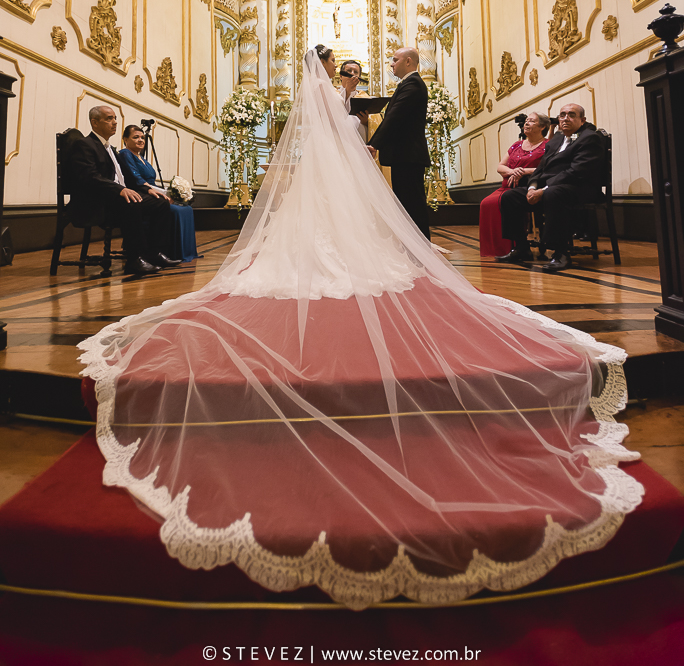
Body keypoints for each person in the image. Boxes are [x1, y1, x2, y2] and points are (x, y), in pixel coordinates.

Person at [79, 54, 642, 610]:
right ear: (327, 72)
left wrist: (356, 112)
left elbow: (357, 129)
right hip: (340, 175)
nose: (343, 73)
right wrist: (355, 112)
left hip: (345, 174)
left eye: (344, 70)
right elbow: (350, 131)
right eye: (336, 67)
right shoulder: (336, 101)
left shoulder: (348, 101)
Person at [67, 106, 181, 276]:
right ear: (94, 122)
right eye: (109, 119)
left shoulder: (110, 149)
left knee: (160, 203)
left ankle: (154, 253)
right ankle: (134, 259)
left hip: (113, 198)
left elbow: (127, 178)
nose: (114, 123)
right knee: (132, 202)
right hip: (96, 201)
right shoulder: (84, 144)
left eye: (115, 118)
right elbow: (89, 177)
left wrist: (146, 190)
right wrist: (119, 190)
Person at [499, 103, 603, 273]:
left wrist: (544, 190)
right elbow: (541, 169)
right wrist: (532, 187)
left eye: (571, 115)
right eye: (562, 115)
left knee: (553, 194)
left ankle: (560, 253)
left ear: (582, 120)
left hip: (579, 188)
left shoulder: (589, 137)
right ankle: (521, 247)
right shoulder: (556, 140)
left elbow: (576, 171)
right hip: (552, 187)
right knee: (510, 197)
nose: (565, 119)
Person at [367, 47, 431, 241]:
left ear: (408, 61)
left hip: (408, 156)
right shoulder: (409, 84)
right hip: (405, 156)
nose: (392, 64)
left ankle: (421, 251)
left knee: (412, 206)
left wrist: (374, 144)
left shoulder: (413, 84)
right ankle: (414, 250)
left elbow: (394, 117)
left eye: (395, 60)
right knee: (406, 205)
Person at [118, 125, 198, 263]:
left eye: (142, 137)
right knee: (173, 209)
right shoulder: (125, 154)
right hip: (140, 193)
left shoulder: (141, 157)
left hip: (152, 192)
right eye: (135, 137)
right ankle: (161, 252)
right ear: (125, 139)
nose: (141, 140)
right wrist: (162, 194)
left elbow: (152, 183)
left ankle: (176, 252)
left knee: (186, 209)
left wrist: (168, 193)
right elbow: (136, 178)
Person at [479, 112, 549, 258]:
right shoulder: (517, 145)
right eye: (526, 121)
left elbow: (549, 169)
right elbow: (500, 167)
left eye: (531, 121)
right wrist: (512, 171)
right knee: (486, 203)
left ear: (542, 126)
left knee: (503, 200)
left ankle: (515, 247)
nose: (526, 123)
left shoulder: (547, 146)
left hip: (529, 186)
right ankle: (496, 249)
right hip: (507, 186)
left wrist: (524, 171)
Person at [337, 57, 369, 142]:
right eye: (349, 71)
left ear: (359, 77)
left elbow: (373, 122)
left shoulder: (364, 96)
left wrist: (366, 122)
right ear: (341, 76)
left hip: (359, 140)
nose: (352, 74)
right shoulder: (332, 93)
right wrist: (347, 91)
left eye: (355, 72)